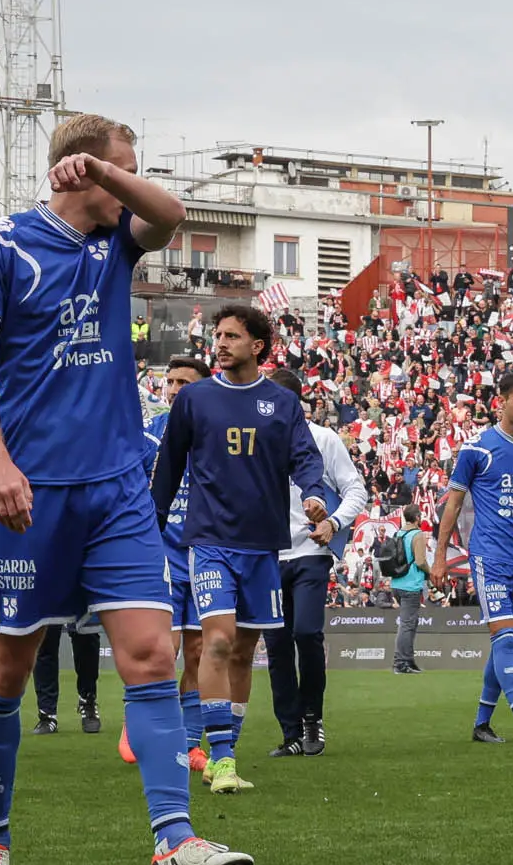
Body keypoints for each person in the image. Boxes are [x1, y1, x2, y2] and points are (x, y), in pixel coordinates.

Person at [0, 113, 250, 865]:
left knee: (151, 655)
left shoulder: (119, 239)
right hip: (29, 490)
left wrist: (107, 175)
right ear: (80, 171)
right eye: (122, 167)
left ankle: (173, 840)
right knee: (5, 669)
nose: (132, 182)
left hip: (117, 485)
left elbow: (171, 213)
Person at [150, 301, 334, 796]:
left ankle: (222, 751)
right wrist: (153, 525)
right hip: (209, 540)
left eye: (231, 336)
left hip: (263, 546)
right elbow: (168, 468)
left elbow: (304, 458)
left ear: (257, 346)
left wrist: (315, 494)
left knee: (244, 650)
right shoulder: (195, 400)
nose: (221, 343)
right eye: (218, 335)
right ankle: (224, 759)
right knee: (217, 641)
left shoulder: (282, 402)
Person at [434, 369, 513, 743]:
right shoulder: (477, 447)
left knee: (508, 641)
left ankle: (482, 724)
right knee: (503, 640)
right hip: (489, 556)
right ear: (499, 402)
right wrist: (439, 556)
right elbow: (452, 505)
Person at [264, 364, 363, 755]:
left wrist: (334, 523)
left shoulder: (323, 439)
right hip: (267, 556)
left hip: (309, 551)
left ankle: (312, 719)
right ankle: (289, 734)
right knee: (276, 644)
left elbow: (356, 488)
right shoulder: (253, 440)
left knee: (306, 632)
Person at [126, 357, 208, 770]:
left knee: (197, 654)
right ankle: (143, 722)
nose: (174, 389)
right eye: (170, 382)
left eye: (183, 382)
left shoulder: (216, 432)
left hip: (207, 554)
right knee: (166, 650)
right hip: (162, 557)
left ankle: (189, 742)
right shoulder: (149, 437)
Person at [379, 507, 431, 673]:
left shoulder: (398, 533)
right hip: (411, 584)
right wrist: (431, 572)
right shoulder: (418, 534)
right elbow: (421, 561)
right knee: (407, 625)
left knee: (410, 623)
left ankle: (407, 660)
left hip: (397, 583)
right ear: (417, 517)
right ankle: (400, 662)